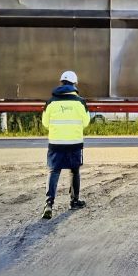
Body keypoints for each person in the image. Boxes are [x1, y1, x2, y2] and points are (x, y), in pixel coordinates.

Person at [41, 70, 91, 219]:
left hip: (56, 144)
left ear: (61, 83)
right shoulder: (80, 102)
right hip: (74, 143)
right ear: (75, 84)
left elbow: (45, 123)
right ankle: (74, 201)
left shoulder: (51, 102)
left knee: (53, 172)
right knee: (74, 171)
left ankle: (49, 204)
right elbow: (86, 122)